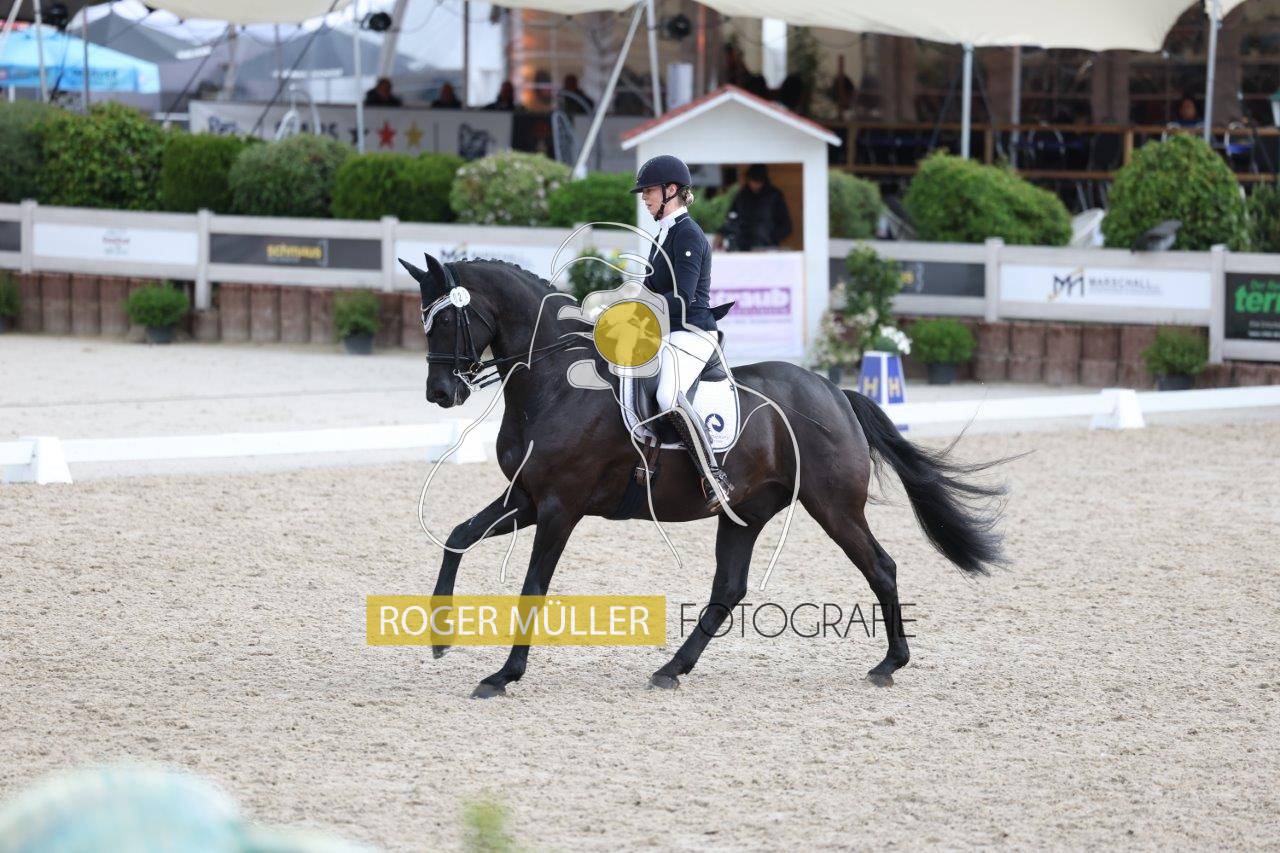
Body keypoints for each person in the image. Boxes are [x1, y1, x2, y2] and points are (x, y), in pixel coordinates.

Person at [629, 154, 733, 513]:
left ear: (671, 190)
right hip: (665, 332)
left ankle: (713, 476)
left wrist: (644, 309)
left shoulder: (687, 233)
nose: (645, 198)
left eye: (649, 191)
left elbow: (683, 298)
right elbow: (649, 290)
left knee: (668, 395)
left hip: (692, 332)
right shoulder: (664, 232)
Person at [720, 163, 792, 251]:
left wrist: (771, 236)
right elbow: (731, 217)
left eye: (758, 181)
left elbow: (786, 225)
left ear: (764, 181)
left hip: (767, 247)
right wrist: (722, 233)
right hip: (744, 247)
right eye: (752, 180)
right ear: (748, 180)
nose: (755, 184)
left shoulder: (774, 196)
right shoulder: (742, 196)